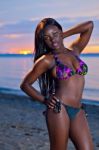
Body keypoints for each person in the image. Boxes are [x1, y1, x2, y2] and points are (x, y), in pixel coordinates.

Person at [20, 18, 94, 150]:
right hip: (59, 109)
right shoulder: (47, 60)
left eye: (55, 34)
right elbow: (25, 85)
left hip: (78, 110)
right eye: (47, 38)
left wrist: (64, 35)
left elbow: (89, 25)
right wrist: (45, 100)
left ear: (61, 31)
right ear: (43, 40)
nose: (53, 40)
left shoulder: (75, 51)